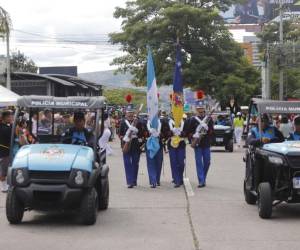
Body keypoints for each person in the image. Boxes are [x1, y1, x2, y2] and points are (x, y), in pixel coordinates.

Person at [119, 108, 147, 188]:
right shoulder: (123, 122)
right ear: (126, 114)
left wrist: (137, 131)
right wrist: (126, 138)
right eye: (129, 113)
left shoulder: (138, 122)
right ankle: (129, 181)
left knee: (135, 163)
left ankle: (134, 180)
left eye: (132, 113)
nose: (130, 115)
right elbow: (120, 134)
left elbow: (143, 133)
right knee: (127, 162)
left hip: (136, 144)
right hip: (126, 144)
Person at [188, 103, 214, 188]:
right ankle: (201, 180)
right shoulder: (193, 120)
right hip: (197, 144)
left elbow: (212, 131)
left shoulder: (209, 119)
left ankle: (203, 177)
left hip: (206, 143)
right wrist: (193, 136)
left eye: (201, 108)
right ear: (196, 109)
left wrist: (207, 130)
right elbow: (189, 132)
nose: (200, 110)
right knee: (199, 162)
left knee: (207, 162)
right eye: (198, 108)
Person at [167, 114, 189, 188]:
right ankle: (177, 180)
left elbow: (187, 132)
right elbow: (165, 133)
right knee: (174, 162)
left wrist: (182, 133)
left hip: (181, 144)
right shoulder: (168, 121)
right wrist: (171, 132)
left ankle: (180, 177)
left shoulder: (184, 121)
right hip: (172, 144)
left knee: (181, 162)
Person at [145, 116, 163, 188]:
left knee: (158, 163)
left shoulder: (161, 122)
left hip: (159, 144)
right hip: (149, 145)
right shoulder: (145, 122)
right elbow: (141, 133)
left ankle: (157, 179)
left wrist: (159, 134)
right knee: (151, 163)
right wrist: (149, 132)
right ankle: (153, 181)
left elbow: (166, 133)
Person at [0, 110, 13, 192]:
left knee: (3, 169)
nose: (11, 118)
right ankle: (4, 187)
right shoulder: (6, 128)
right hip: (4, 151)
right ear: (5, 117)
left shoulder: (3, 126)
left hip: (3, 151)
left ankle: (5, 186)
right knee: (4, 170)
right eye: (10, 116)